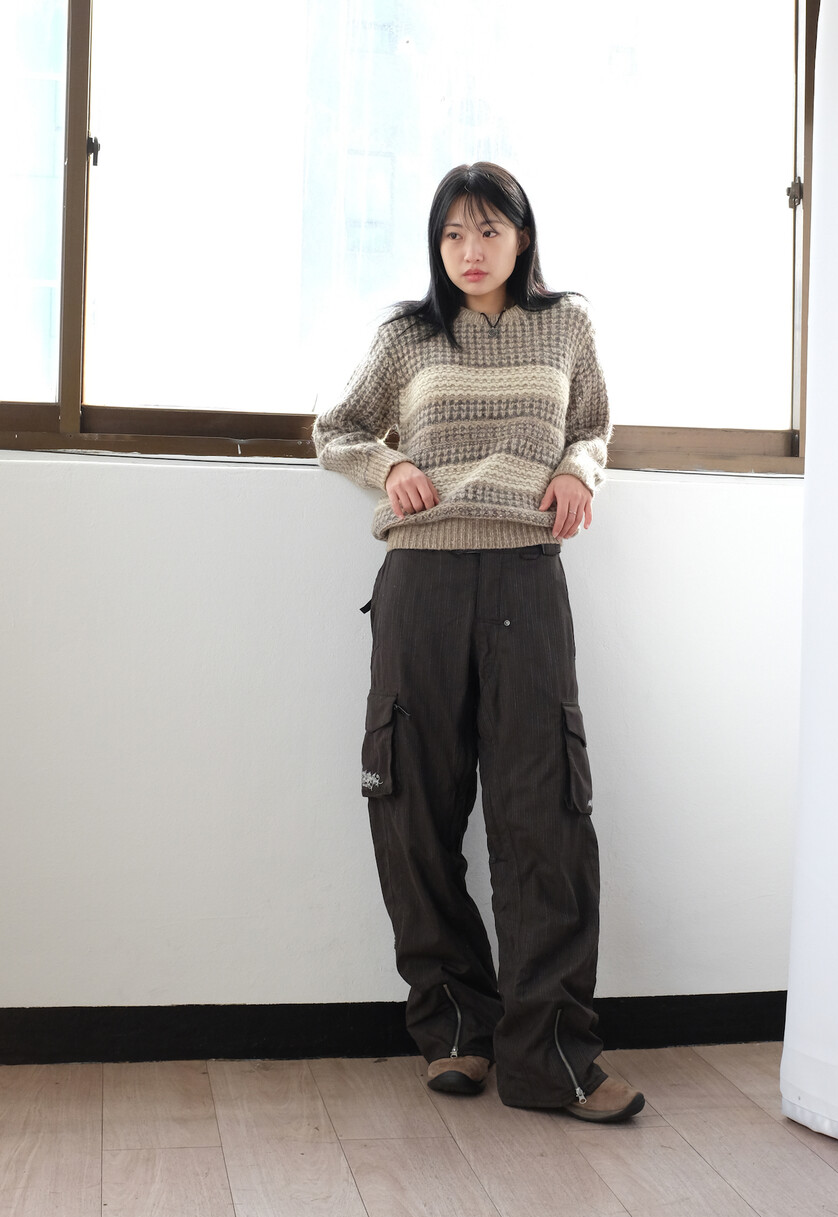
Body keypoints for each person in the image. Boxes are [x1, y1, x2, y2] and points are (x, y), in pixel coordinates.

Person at [313, 161, 644, 1123]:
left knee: (545, 814)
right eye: (453, 234)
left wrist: (580, 471)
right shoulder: (407, 336)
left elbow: (592, 427)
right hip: (421, 582)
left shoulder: (566, 326)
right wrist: (390, 465)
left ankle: (551, 1058)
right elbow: (335, 428)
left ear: (521, 236)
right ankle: (454, 1027)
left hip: (525, 579)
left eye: (489, 230)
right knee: (412, 804)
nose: (470, 250)